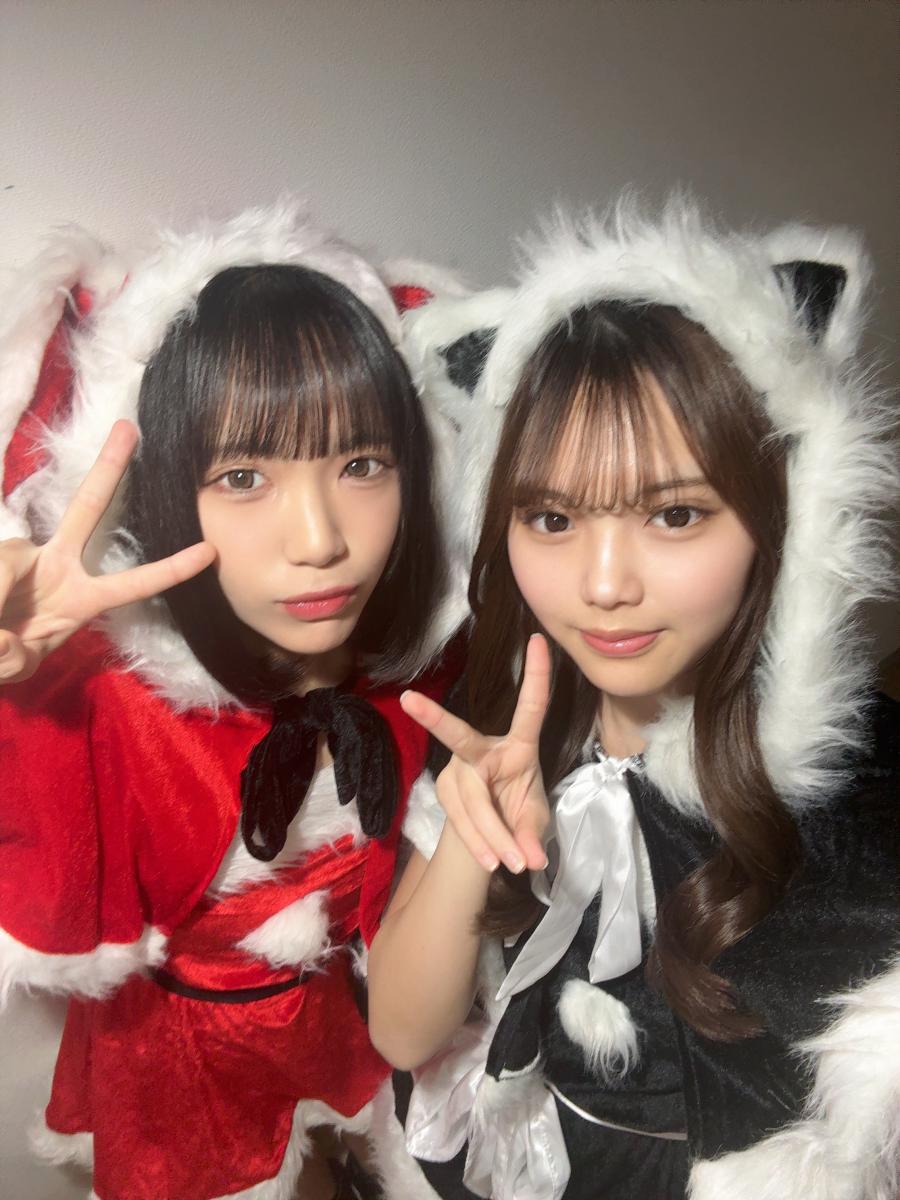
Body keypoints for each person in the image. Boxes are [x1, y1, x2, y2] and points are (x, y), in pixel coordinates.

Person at [367, 201, 900, 1200]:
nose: (603, 585)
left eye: (675, 514)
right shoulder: (498, 728)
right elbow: (402, 1034)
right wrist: (470, 844)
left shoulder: (862, 792)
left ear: (782, 516)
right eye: (551, 517)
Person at [0, 203, 453, 1200]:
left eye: (362, 463)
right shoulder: (106, 702)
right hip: (183, 1063)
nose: (320, 540)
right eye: (245, 475)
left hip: (350, 1022)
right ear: (165, 491)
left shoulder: (425, 668)